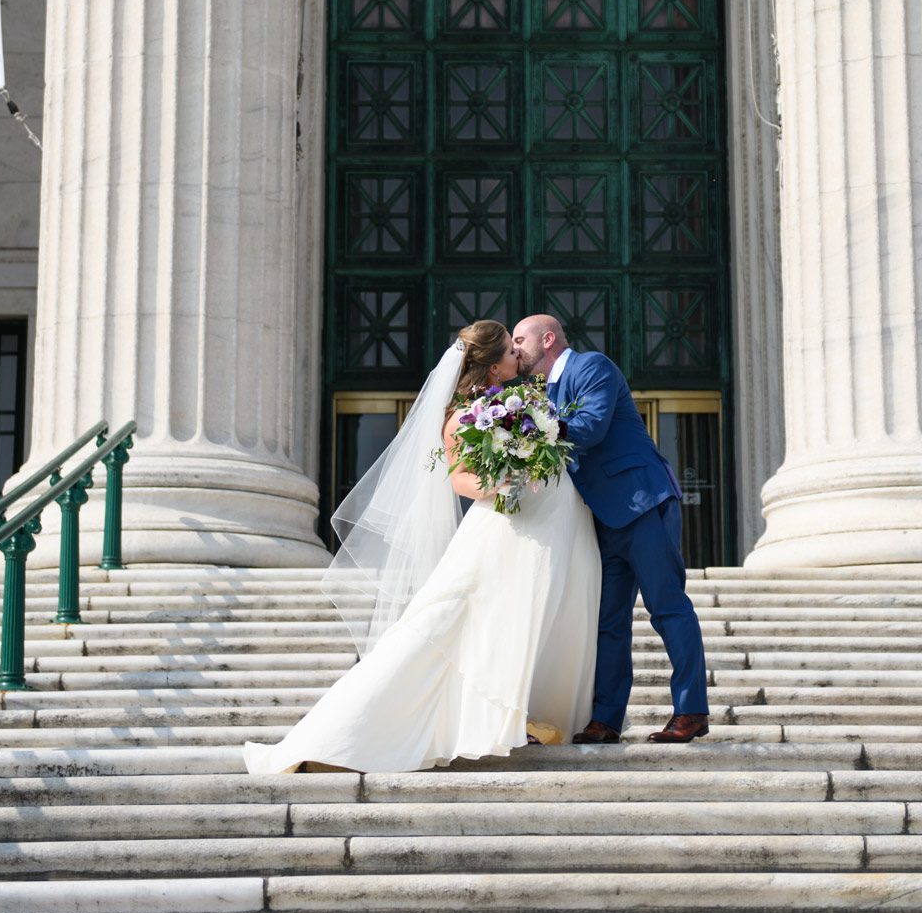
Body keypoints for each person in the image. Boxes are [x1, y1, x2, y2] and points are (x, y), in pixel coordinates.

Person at [243, 321, 600, 775]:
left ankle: (498, 717)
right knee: (440, 625)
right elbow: (461, 479)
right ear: (493, 366)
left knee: (501, 625)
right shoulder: (462, 416)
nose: (519, 356)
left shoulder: (519, 402)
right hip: (492, 533)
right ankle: (338, 736)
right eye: (511, 350)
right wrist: (502, 480)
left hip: (521, 533)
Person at [512, 313, 709, 744]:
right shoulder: (541, 392)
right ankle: (606, 720)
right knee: (608, 622)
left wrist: (524, 432)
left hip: (642, 502)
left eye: (519, 338)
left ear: (548, 340)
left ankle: (691, 710)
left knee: (667, 607)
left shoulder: (592, 367)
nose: (514, 347)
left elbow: (591, 428)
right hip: (602, 518)